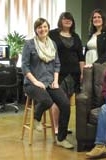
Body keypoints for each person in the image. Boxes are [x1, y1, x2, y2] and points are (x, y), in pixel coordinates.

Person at [21, 17, 73, 149]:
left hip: (50, 82)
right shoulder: (29, 44)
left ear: (48, 28)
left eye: (45, 26)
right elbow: (25, 67)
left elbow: (57, 64)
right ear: (36, 30)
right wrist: (35, 82)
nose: (42, 29)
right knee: (47, 101)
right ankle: (36, 117)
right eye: (39, 27)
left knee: (66, 104)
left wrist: (56, 81)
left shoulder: (52, 44)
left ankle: (61, 138)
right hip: (32, 83)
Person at [49, 12, 85, 135]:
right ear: (60, 20)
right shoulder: (53, 34)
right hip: (58, 73)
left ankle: (64, 127)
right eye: (65, 19)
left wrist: (82, 73)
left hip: (74, 73)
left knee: (68, 101)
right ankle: (56, 128)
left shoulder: (75, 36)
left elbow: (81, 57)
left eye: (70, 19)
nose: (68, 21)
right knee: (58, 100)